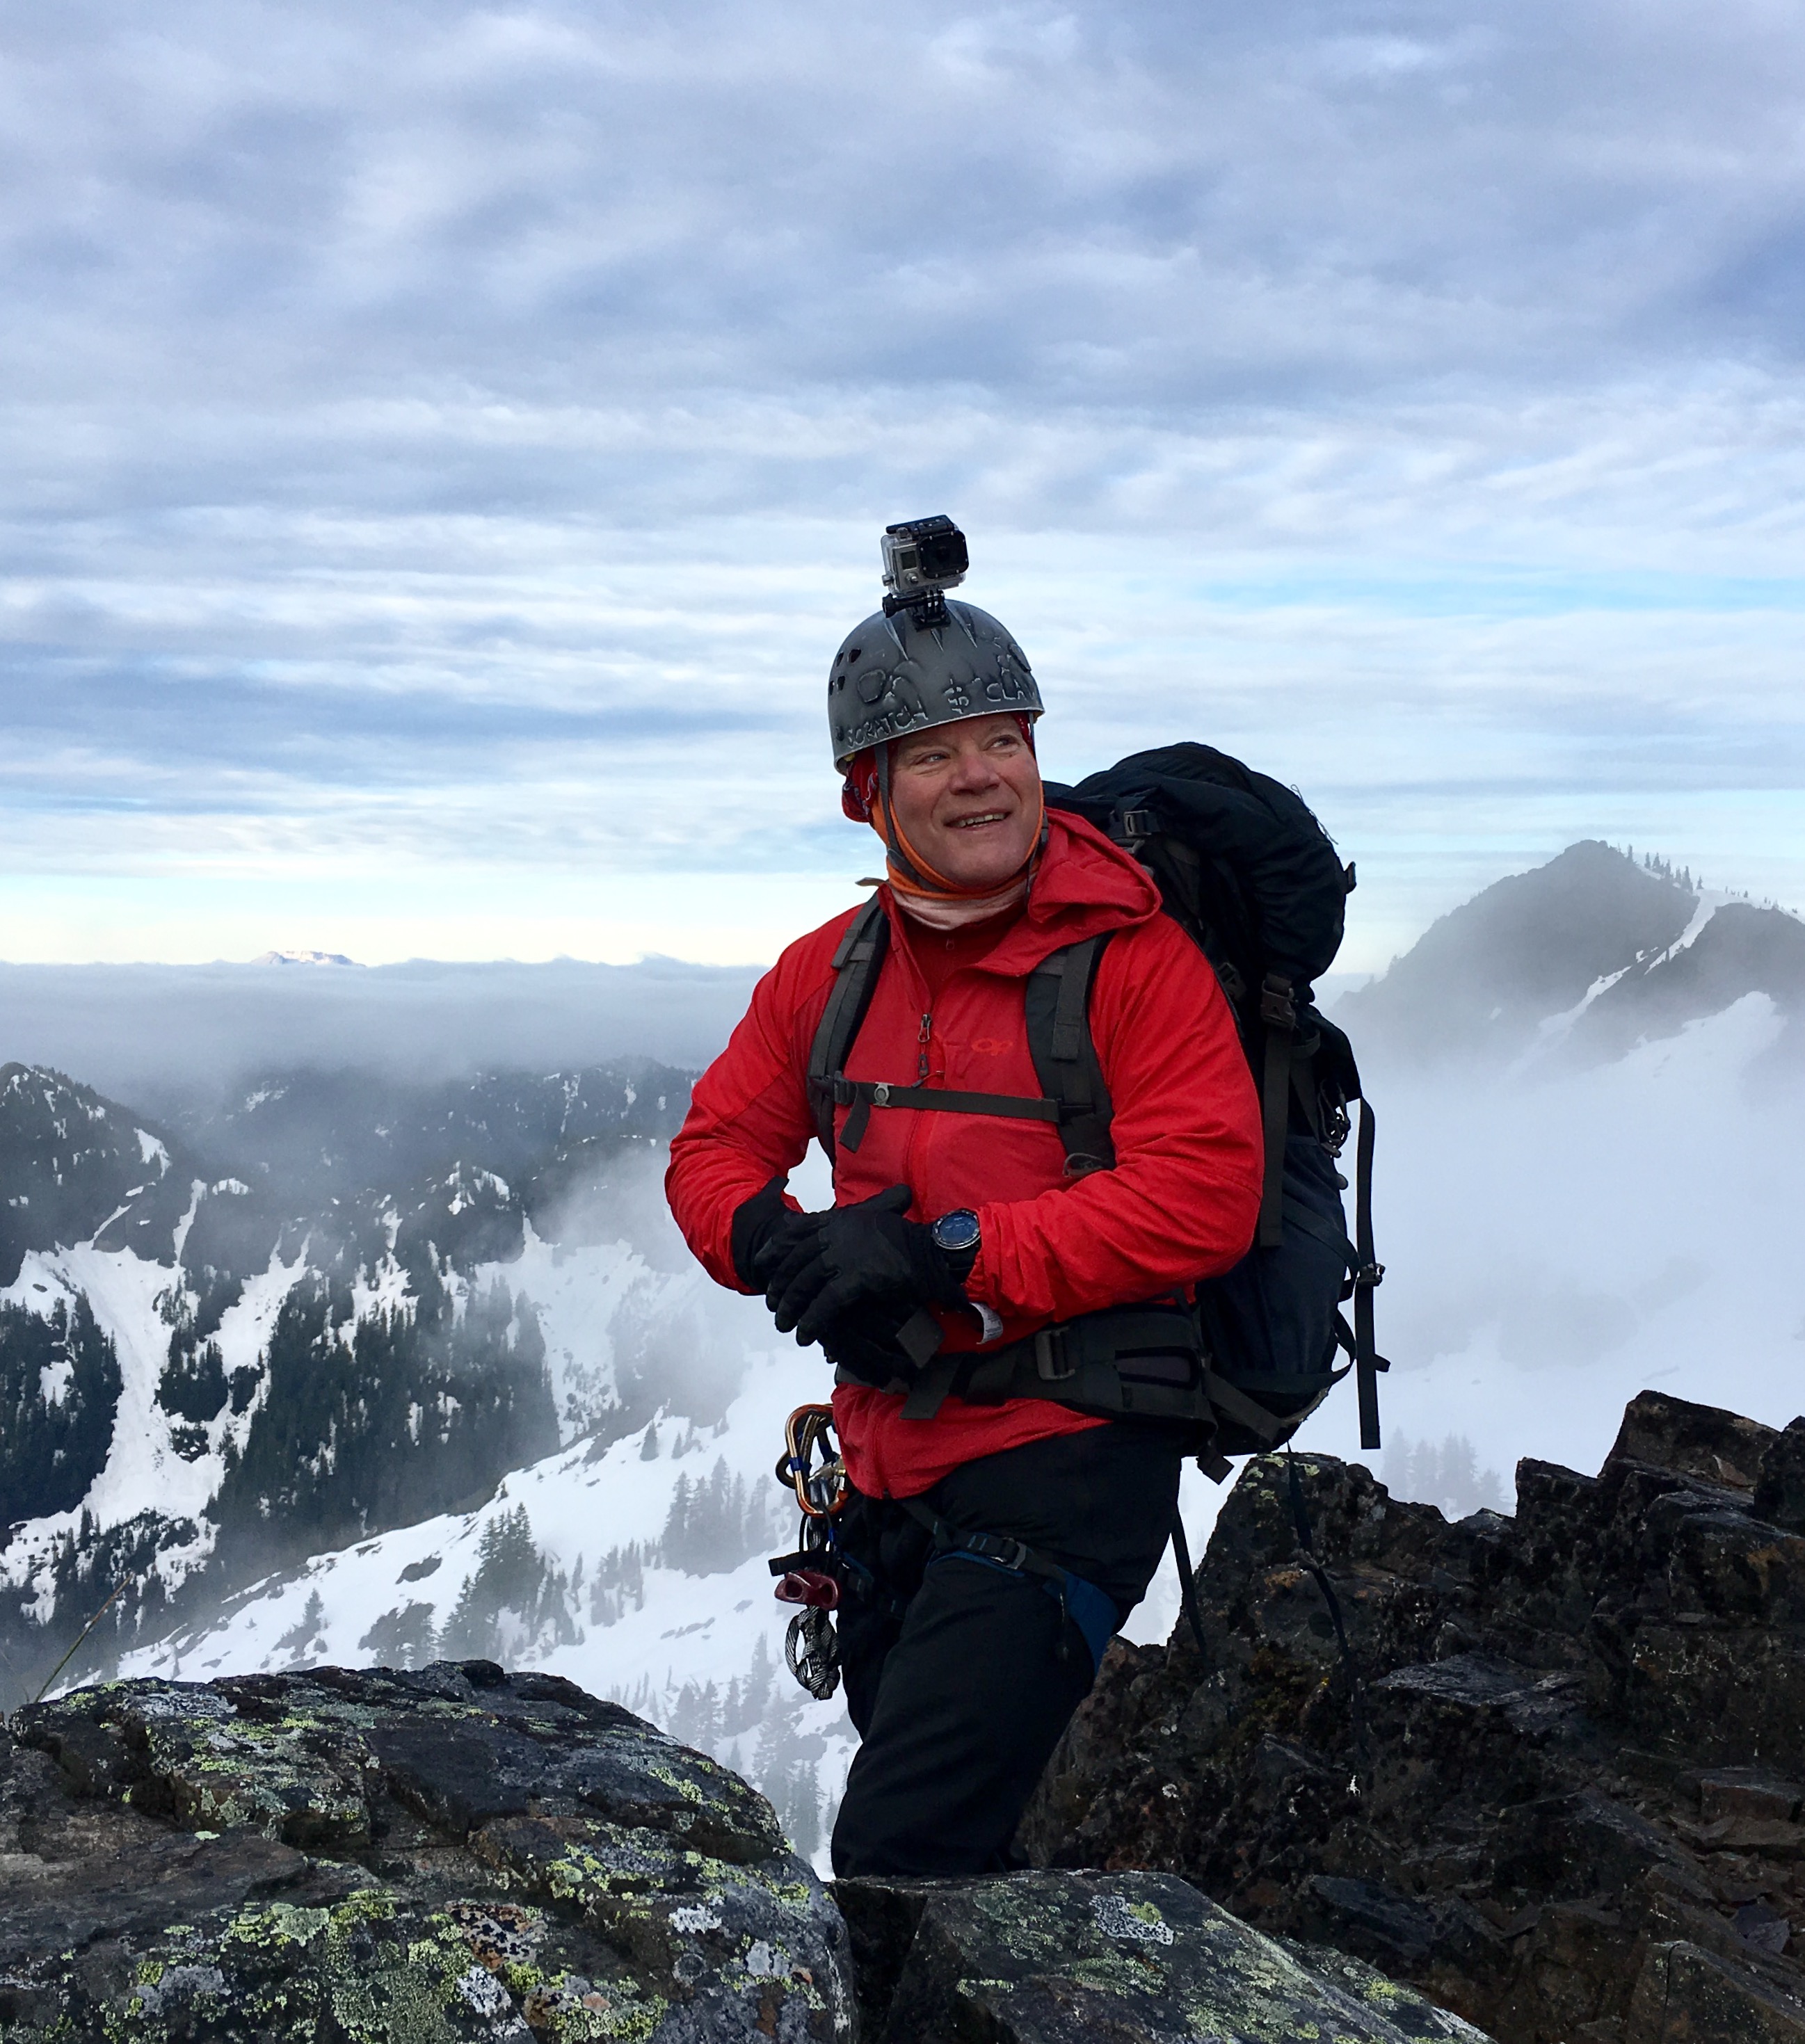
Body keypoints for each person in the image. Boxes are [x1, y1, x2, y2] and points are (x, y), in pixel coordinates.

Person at [665, 577, 1263, 1876]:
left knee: (898, 1856)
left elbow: (1206, 1191)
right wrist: (772, 1244)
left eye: (1007, 740)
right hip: (888, 1470)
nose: (983, 777)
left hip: (1070, 1458)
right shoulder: (827, 973)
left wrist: (948, 1258)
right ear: (867, 793)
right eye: (935, 753)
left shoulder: (1133, 961)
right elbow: (714, 1151)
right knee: (955, 1864)